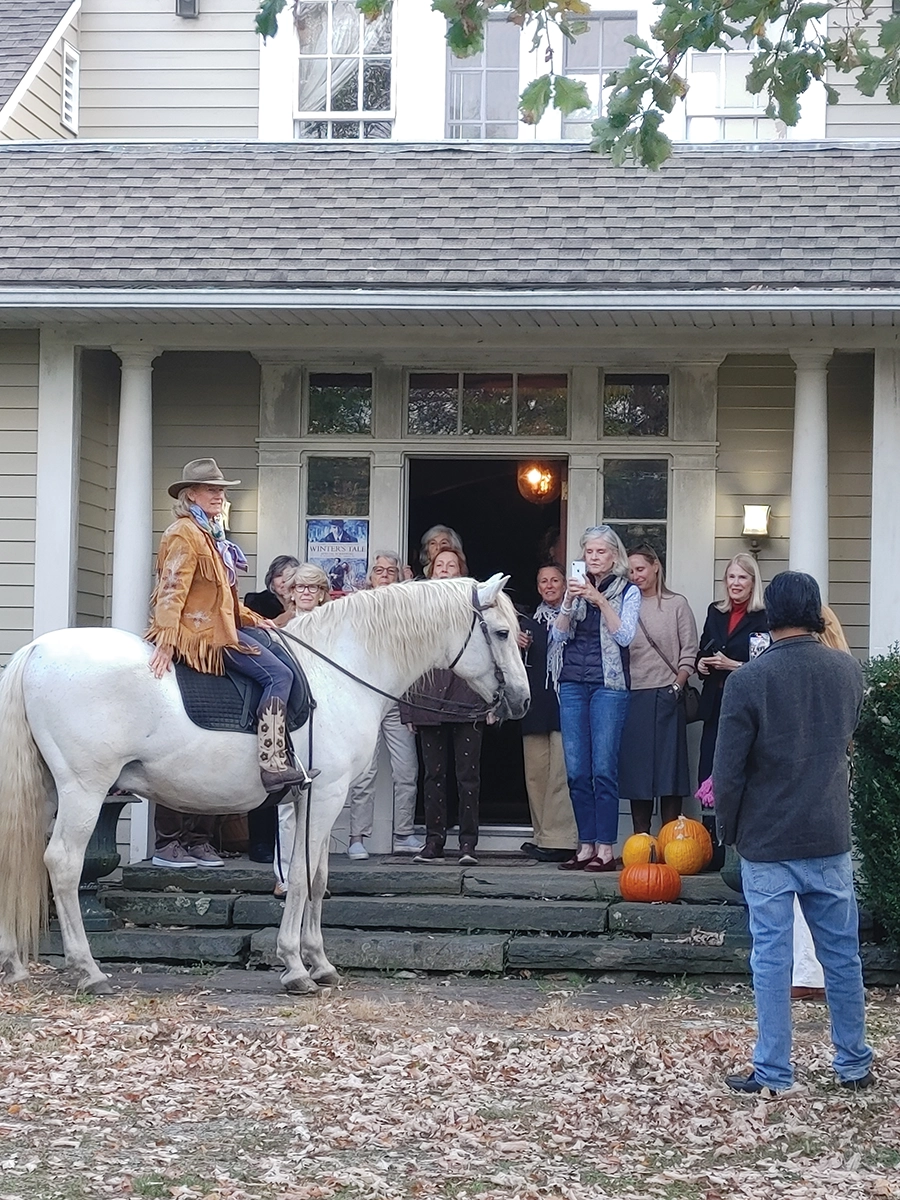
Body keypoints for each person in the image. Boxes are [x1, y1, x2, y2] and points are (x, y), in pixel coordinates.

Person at [714, 571, 874, 1095]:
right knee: (842, 957)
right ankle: (853, 1063)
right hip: (828, 832)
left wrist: (728, 831)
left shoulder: (748, 681)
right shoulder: (849, 673)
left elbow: (729, 771)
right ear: (816, 611)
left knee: (772, 960)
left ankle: (775, 1071)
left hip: (767, 838)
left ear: (771, 615)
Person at [146, 459, 313, 868]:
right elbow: (171, 590)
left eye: (221, 490)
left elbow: (225, 602)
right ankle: (273, 760)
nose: (220, 496)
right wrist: (166, 639)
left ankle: (199, 840)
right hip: (200, 636)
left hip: (224, 627)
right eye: (211, 490)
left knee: (276, 659)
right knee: (278, 673)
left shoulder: (213, 535)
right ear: (191, 495)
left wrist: (263, 623)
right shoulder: (184, 533)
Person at [549, 525, 641, 872]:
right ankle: (585, 845)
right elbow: (558, 636)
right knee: (576, 770)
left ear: (614, 556)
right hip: (573, 682)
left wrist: (599, 600)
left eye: (600, 552)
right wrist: (570, 601)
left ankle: (606, 847)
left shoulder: (628, 591)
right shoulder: (574, 588)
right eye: (589, 552)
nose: (594, 558)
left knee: (603, 768)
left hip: (609, 685)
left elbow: (625, 635)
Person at [401, 547, 484, 865]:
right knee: (432, 776)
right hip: (427, 700)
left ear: (461, 572)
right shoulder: (416, 608)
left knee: (468, 776)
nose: (446, 569)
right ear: (431, 571)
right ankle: (433, 842)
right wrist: (406, 709)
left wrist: (492, 703)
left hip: (468, 699)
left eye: (452, 565)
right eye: (440, 565)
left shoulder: (474, 606)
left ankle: (468, 844)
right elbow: (405, 660)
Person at [791, 603, 854, 1000]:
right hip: (832, 803)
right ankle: (826, 977)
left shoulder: (802, 675)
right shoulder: (846, 675)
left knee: (797, 892)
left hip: (796, 800)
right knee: (833, 903)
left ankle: (805, 971)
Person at [346, 552, 423, 859]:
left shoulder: (408, 611)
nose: (385, 575)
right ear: (371, 576)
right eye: (379, 570)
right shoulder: (358, 607)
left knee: (407, 770)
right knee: (364, 772)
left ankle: (403, 833)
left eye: (391, 571)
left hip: (397, 701)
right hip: (365, 699)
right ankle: (357, 838)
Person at [619, 545, 699, 835]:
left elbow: (690, 651)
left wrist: (677, 685)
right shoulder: (624, 605)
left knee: (669, 773)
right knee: (638, 774)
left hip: (668, 693)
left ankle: (670, 841)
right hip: (633, 695)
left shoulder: (677, 604)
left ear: (655, 567)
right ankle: (641, 841)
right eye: (630, 571)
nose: (635, 576)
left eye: (640, 569)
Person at [696, 552, 770, 865]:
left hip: (746, 708)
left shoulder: (765, 617)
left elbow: (765, 665)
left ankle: (738, 849)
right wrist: (702, 663)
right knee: (708, 773)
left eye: (742, 577)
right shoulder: (716, 612)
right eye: (731, 577)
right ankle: (709, 848)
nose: (735, 583)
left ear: (753, 582)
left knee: (739, 772)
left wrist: (733, 665)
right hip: (715, 704)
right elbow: (703, 646)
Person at [272, 562, 331, 897]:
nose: (307, 594)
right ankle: (284, 877)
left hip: (323, 720)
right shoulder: (279, 627)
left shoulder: (332, 625)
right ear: (290, 593)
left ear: (323, 593)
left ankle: (314, 875)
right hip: (289, 720)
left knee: (322, 800)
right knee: (287, 800)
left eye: (313, 588)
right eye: (300, 588)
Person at [518, 564, 578, 863]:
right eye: (544, 581)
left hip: (565, 701)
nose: (550, 585)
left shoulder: (573, 618)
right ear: (538, 587)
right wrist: (517, 645)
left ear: (565, 584)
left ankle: (562, 840)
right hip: (535, 704)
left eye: (555, 580)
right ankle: (542, 836)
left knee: (560, 773)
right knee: (536, 774)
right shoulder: (528, 623)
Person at [244, 555, 301, 625]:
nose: (284, 580)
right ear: (272, 582)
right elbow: (252, 631)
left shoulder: (306, 602)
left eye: (289, 575)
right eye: (279, 575)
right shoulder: (256, 602)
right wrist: (278, 621)